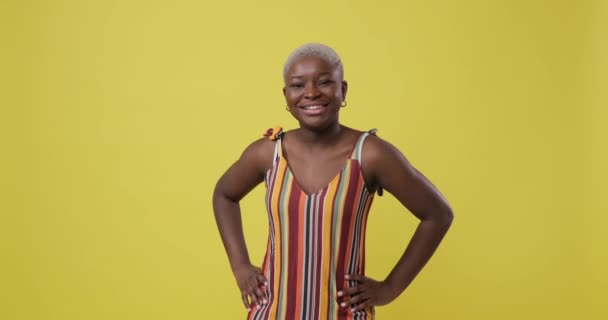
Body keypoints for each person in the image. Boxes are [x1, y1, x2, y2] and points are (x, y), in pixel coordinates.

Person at [212, 43, 454, 320]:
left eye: (325, 82)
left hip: (343, 314)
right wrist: (240, 266)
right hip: (272, 312)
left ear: (343, 90)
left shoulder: (371, 155)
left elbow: (438, 215)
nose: (311, 92)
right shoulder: (268, 153)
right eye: (297, 85)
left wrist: (390, 288)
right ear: (286, 95)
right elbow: (224, 195)